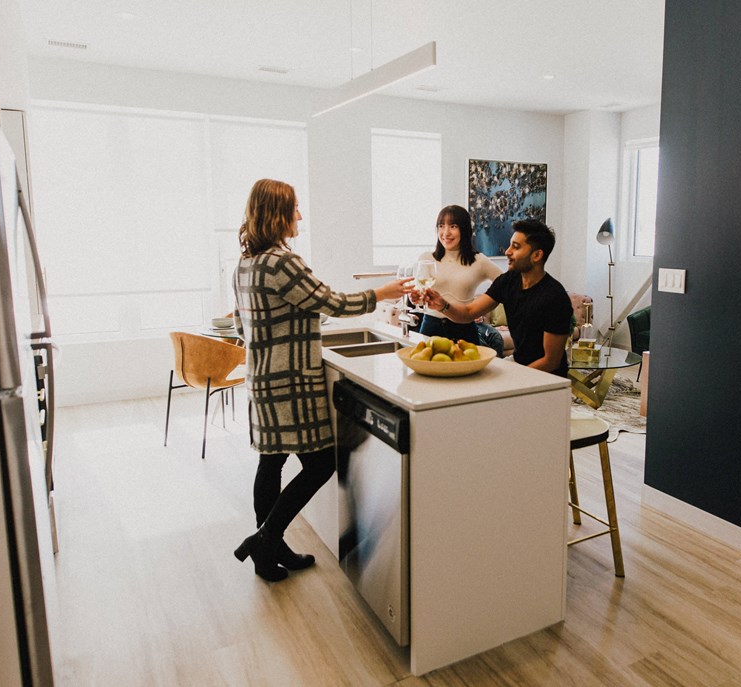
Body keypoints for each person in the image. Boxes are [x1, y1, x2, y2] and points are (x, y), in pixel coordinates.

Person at [232, 178, 412, 582]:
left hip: (261, 377)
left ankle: (268, 550)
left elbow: (244, 326)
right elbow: (331, 301)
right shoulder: (282, 261)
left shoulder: (245, 263)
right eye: (294, 208)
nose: (299, 215)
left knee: (270, 462)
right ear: (277, 213)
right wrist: (380, 293)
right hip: (291, 381)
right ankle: (267, 540)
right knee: (319, 464)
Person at [423, 219, 573, 376]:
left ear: (536, 255)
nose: (507, 251)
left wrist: (512, 379)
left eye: (516, 247)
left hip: (548, 378)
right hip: (518, 362)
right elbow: (468, 313)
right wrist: (442, 305)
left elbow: (551, 361)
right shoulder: (509, 280)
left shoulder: (555, 298)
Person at [412, 204, 504, 354]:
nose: (446, 232)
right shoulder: (426, 259)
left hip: (465, 332)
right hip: (430, 328)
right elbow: (421, 294)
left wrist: (484, 305)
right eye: (441, 226)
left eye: (453, 226)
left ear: (465, 229)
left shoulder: (479, 261)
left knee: (469, 375)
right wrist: (417, 297)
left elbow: (507, 284)